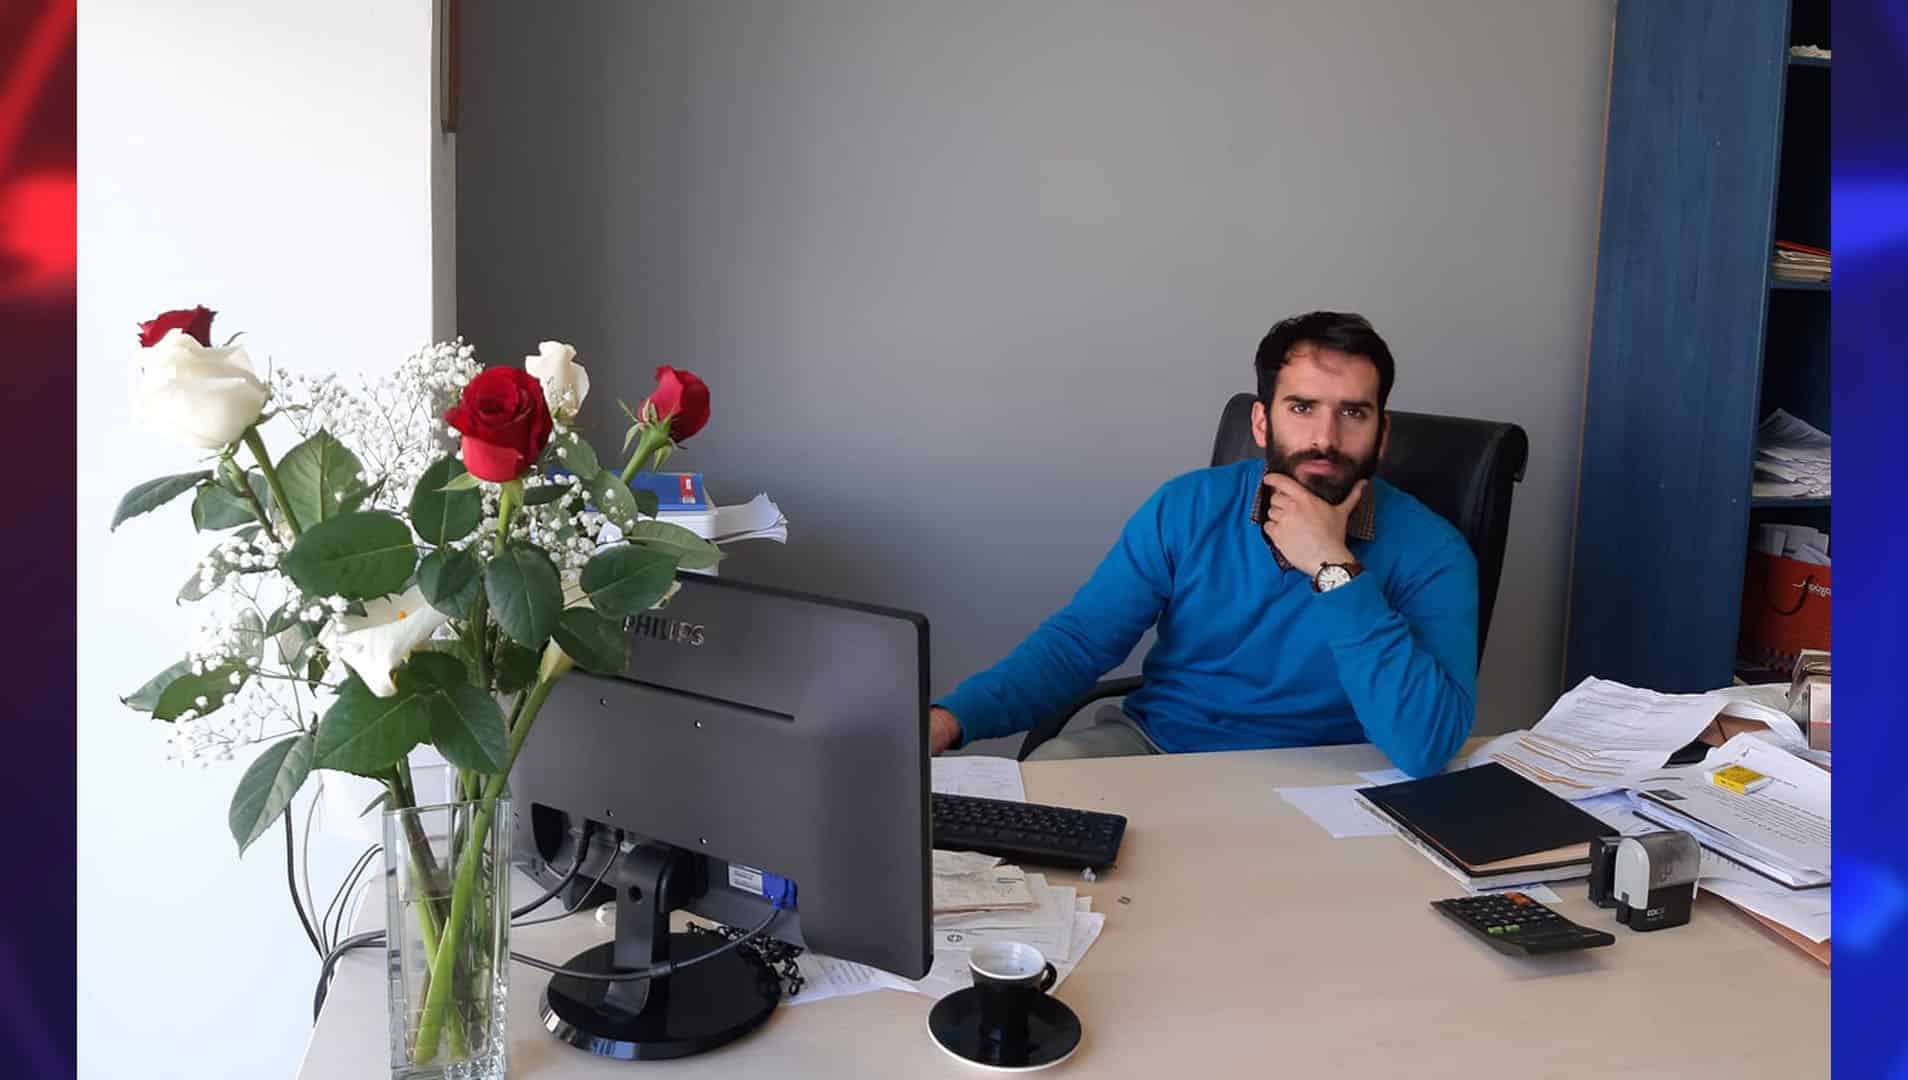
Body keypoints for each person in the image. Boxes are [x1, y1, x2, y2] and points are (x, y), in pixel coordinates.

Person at [930, 311, 1477, 777]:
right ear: (1262, 422)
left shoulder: (1435, 552)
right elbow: (1077, 644)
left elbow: (1425, 746)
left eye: (1352, 413)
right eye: (1302, 407)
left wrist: (1332, 567)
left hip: (1330, 775)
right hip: (1162, 749)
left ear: (1382, 434)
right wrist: (951, 719)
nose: (1325, 439)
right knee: (1048, 780)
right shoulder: (1186, 507)